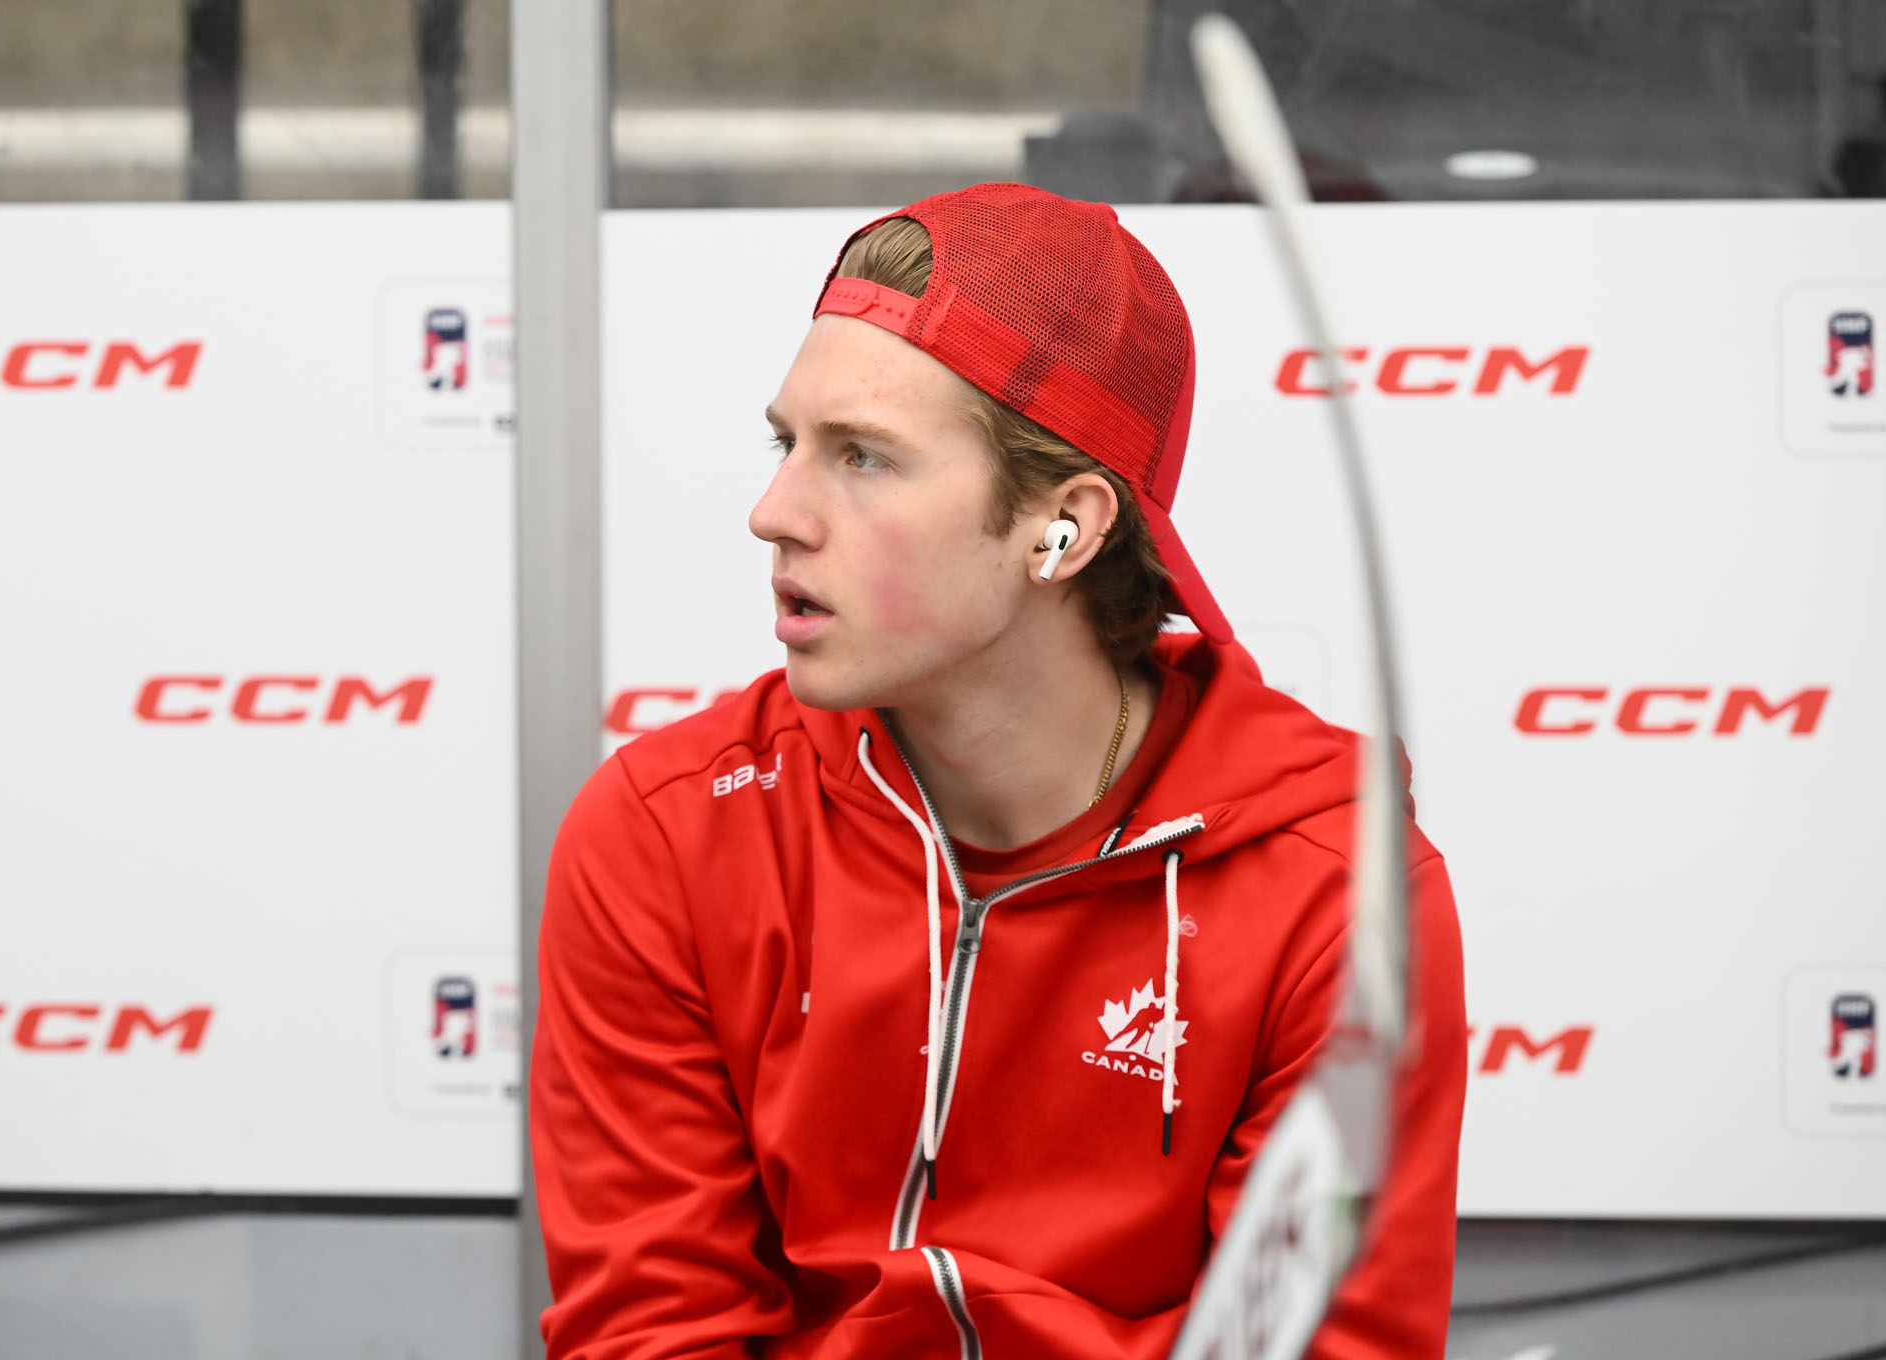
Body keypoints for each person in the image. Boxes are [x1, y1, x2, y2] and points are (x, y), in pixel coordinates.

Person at [531, 182, 1467, 1359]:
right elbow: (651, 1331)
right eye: (787, 444)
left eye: (862, 457)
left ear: (1061, 528)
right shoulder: (672, 832)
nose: (774, 513)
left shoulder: (1334, 893)